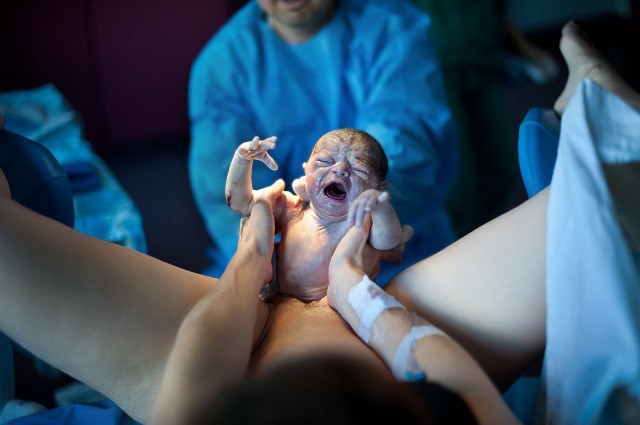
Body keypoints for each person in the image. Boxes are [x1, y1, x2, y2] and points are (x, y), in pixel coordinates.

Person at [1, 20, 637, 425]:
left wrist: (251, 255)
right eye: (323, 162)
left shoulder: (383, 40)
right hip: (375, 312)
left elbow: (194, 376)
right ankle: (601, 116)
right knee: (609, 189)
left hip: (236, 314)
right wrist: (358, 288)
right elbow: (449, 374)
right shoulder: (236, 73)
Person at [188, 0, 456, 284]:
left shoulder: (391, 31)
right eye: (325, 162)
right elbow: (231, 201)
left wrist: (367, 230)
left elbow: (405, 156)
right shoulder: (222, 65)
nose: (338, 171)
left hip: (395, 256)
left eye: (355, 166)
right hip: (274, 266)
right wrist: (283, 265)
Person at [412, 0, 559, 238]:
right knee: (459, 188)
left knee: (502, 171)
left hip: (484, 63)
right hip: (432, 70)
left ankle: (486, 241)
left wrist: (525, 49)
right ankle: (463, 252)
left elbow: (496, 11)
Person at [225, 128, 406, 300]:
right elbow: (241, 202)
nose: (340, 169)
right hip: (277, 301)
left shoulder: (360, 221)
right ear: (306, 169)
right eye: (324, 162)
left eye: (359, 170)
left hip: (333, 311)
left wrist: (379, 206)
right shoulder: (291, 208)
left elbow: (387, 241)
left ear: (378, 187)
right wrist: (242, 159)